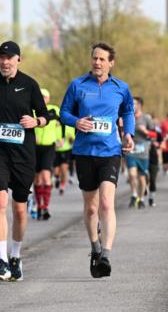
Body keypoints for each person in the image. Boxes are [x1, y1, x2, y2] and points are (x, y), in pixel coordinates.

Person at [0, 41, 50, 282]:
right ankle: (2, 261)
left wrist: (35, 122)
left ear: (18, 60)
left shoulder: (29, 85)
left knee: (19, 208)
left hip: (23, 154)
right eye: (1, 57)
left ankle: (15, 256)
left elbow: (45, 115)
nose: (5, 62)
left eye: (9, 58)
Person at [59, 43, 135, 279]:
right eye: (94, 58)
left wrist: (128, 133)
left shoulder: (121, 88)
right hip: (84, 152)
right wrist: (76, 122)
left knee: (106, 203)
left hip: (110, 151)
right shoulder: (78, 85)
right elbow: (63, 113)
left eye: (102, 59)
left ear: (111, 63)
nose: (97, 63)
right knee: (91, 207)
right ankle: (95, 248)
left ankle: (106, 255)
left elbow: (128, 112)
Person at [32, 87, 62, 221]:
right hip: (34, 148)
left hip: (49, 147)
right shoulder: (32, 110)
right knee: (37, 179)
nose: (43, 99)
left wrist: (59, 137)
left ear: (48, 98)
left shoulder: (54, 110)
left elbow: (61, 124)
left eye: (45, 97)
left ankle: (45, 207)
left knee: (46, 176)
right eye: (41, 97)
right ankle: (39, 205)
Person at [124, 97, 151, 209]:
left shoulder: (146, 118)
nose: (133, 106)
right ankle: (134, 194)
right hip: (131, 152)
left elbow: (156, 134)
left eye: (135, 104)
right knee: (132, 174)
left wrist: (146, 131)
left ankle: (141, 199)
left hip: (143, 153)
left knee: (141, 178)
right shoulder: (126, 117)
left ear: (140, 105)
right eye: (131, 104)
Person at [54, 121, 76, 194]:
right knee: (56, 170)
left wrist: (71, 139)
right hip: (55, 150)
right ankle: (56, 178)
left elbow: (72, 139)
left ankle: (62, 186)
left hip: (66, 149)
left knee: (64, 168)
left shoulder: (70, 125)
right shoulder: (55, 123)